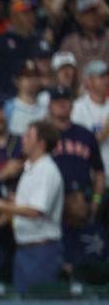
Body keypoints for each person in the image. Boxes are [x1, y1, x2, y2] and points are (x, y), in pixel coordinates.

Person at [0, 120, 65, 292]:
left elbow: (35, 210)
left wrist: (1, 205)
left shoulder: (46, 170)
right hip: (25, 249)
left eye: (28, 136)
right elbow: (21, 205)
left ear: (41, 144)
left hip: (41, 251)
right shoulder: (30, 169)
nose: (23, 140)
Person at [48, 85, 105, 220]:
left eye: (66, 100)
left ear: (72, 105)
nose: (62, 104)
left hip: (82, 201)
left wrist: (96, 200)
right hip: (51, 201)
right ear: (50, 105)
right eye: (57, 100)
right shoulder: (41, 134)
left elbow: (99, 171)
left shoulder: (85, 134)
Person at [71, 60, 109, 171]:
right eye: (101, 77)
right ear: (88, 81)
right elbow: (82, 147)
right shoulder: (78, 108)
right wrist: (105, 130)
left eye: (107, 76)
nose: (106, 80)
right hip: (93, 174)